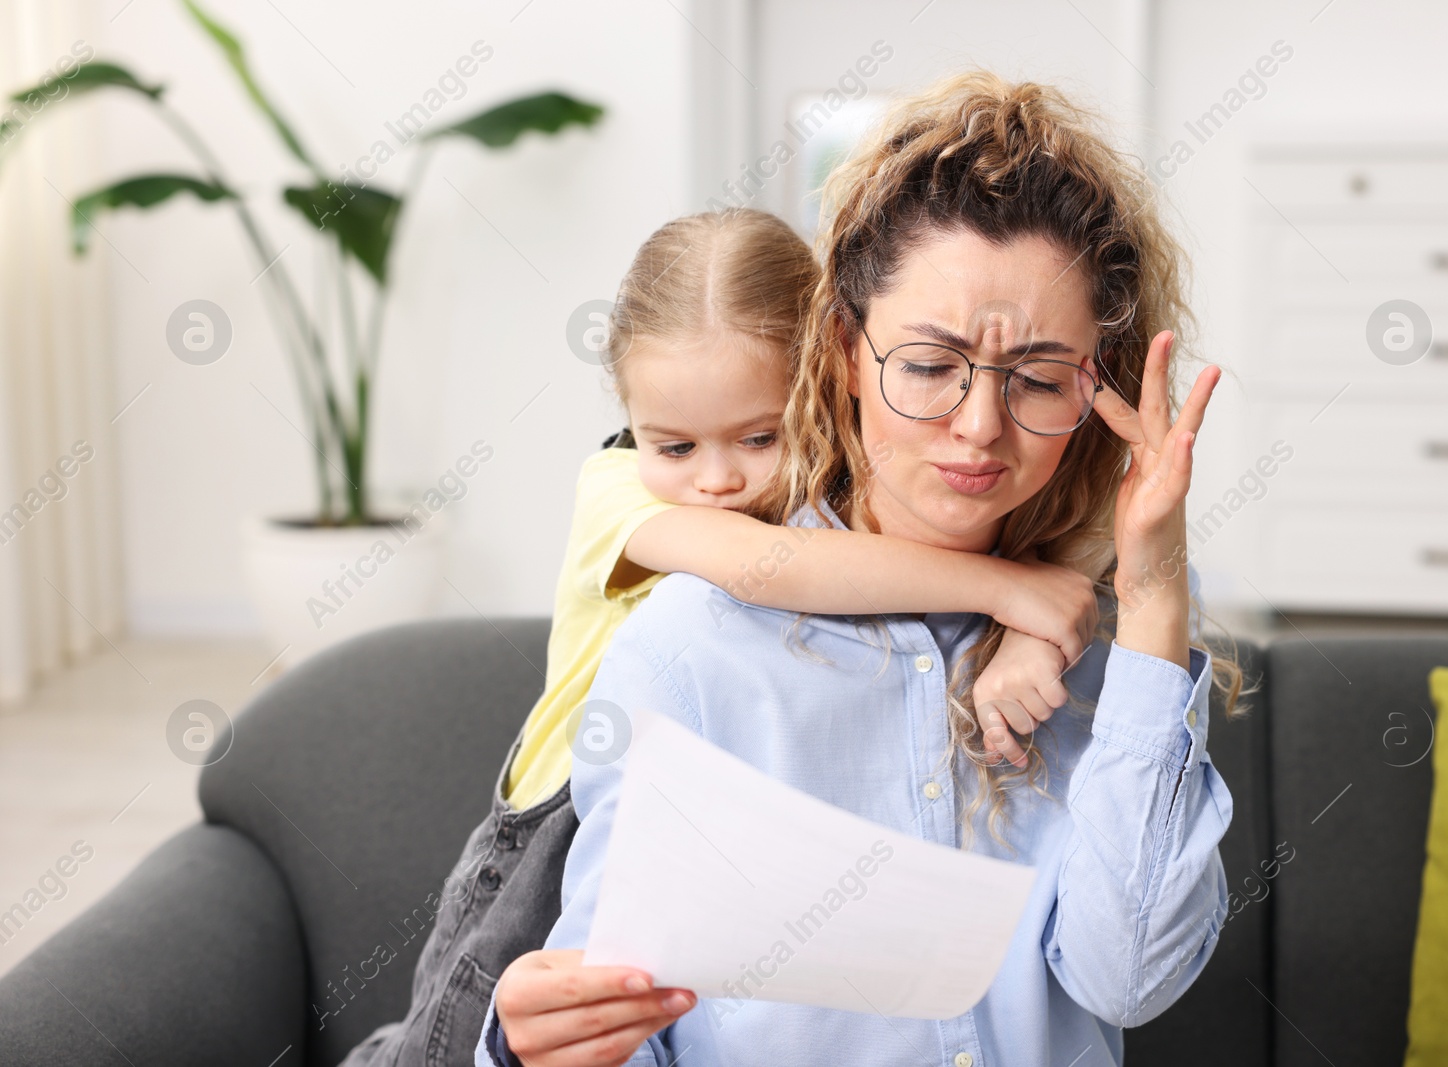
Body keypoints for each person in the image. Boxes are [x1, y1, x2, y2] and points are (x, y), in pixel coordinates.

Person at [480, 71, 1241, 1067]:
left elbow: (1129, 981)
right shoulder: (690, 647)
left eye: (1040, 379)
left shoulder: (1101, 665)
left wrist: (1150, 596)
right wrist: (545, 1045)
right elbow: (624, 1014)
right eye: (928, 366)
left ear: (1094, 387)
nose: (979, 427)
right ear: (843, 347)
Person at [338, 206, 1102, 1066]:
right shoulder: (618, 491)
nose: (716, 479)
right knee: (461, 1039)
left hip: (687, 803)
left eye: (760, 437)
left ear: (823, 387)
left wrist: (1034, 632)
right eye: (674, 444)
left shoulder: (856, 490)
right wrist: (1011, 591)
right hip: (549, 831)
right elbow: (768, 568)